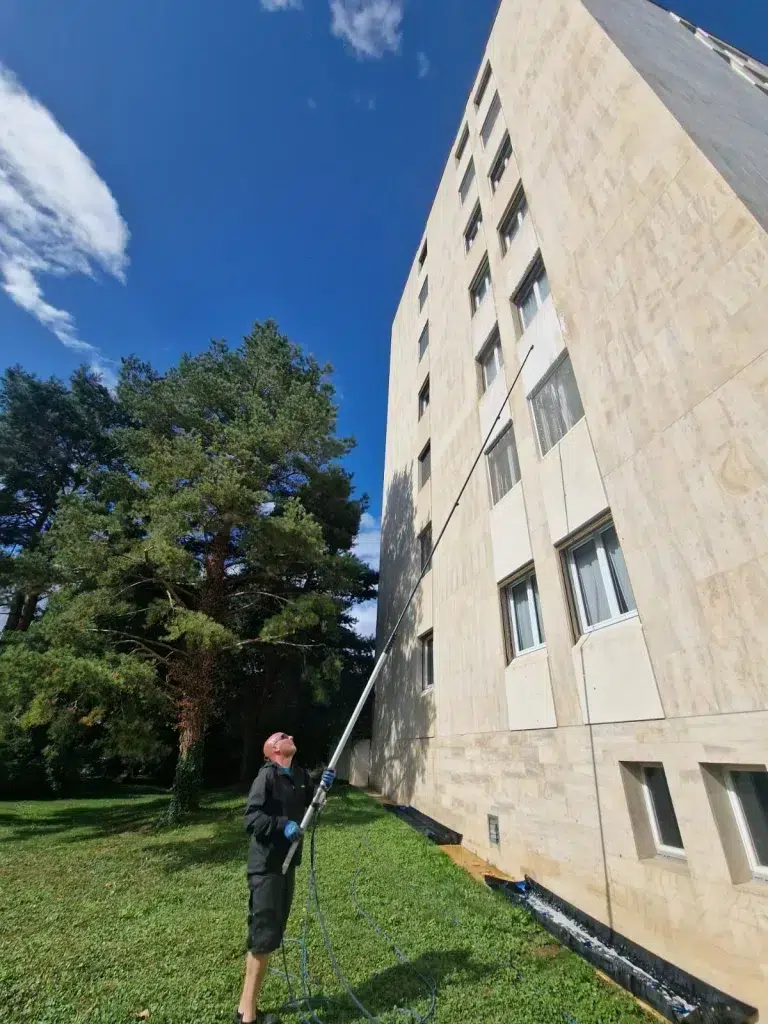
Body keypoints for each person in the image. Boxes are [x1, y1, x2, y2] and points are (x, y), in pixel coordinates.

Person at [234, 731, 335, 1024]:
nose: (290, 735)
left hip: (286, 866)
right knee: (263, 937)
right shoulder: (266, 777)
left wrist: (323, 787)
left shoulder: (299, 774)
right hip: (266, 868)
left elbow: (313, 802)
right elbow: (251, 819)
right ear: (274, 749)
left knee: (270, 935)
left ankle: (245, 1009)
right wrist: (283, 825)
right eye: (283, 735)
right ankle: (247, 1018)